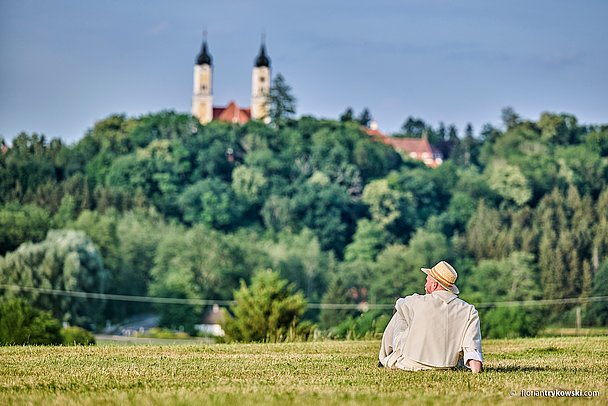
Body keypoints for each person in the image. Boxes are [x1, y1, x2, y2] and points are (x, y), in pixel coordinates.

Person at [378, 260, 483, 372]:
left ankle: (383, 358)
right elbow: (471, 346)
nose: (424, 285)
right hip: (447, 366)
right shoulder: (469, 310)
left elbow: (398, 304)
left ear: (434, 285)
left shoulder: (416, 301)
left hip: (410, 363)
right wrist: (476, 372)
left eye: (426, 281)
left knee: (400, 313)